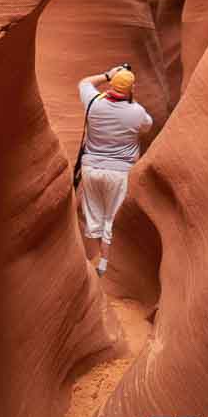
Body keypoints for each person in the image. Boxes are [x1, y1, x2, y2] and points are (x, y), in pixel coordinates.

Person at [77, 65, 153, 277]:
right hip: (119, 173)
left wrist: (107, 75)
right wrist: (132, 100)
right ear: (131, 89)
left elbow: (84, 83)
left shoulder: (93, 102)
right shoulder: (137, 112)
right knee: (112, 218)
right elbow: (147, 125)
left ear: (111, 83)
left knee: (94, 217)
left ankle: (91, 262)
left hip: (91, 169)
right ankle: (103, 264)